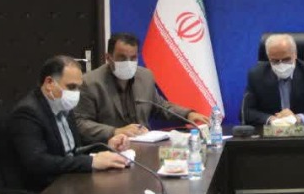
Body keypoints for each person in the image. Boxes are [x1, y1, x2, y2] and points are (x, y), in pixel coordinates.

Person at [6, 55, 129, 194]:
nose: (75, 93)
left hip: (67, 178)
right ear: (49, 83)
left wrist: (107, 145)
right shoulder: (27, 113)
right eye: (71, 87)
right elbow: (38, 162)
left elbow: (73, 148)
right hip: (42, 191)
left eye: (78, 88)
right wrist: (91, 162)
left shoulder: (63, 105)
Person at [75, 32, 206, 144]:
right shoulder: (90, 82)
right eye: (122, 58)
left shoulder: (145, 77)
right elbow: (80, 123)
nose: (128, 63)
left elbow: (160, 107)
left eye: (133, 58)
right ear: (108, 58)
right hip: (109, 148)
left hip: (143, 144)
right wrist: (115, 131)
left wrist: (188, 114)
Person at [242, 34, 304, 128]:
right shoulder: (256, 75)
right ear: (268, 58)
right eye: (275, 61)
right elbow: (246, 112)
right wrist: (271, 119)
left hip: (303, 133)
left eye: (286, 59)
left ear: (295, 55)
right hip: (271, 134)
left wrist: (298, 118)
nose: (281, 65)